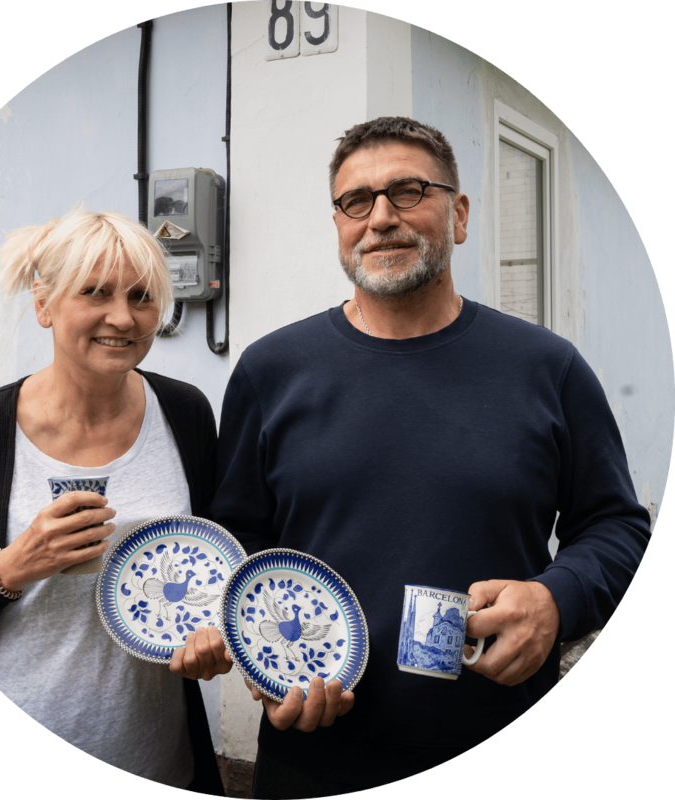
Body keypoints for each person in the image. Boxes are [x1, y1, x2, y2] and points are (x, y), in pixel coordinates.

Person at [209, 117, 651, 796]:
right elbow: (240, 542)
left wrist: (555, 602)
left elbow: (616, 525)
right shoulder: (271, 371)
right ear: (339, 224)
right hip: (316, 756)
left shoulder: (546, 367)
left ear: (460, 213)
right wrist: (267, 661)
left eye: (408, 192)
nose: (381, 217)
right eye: (357, 201)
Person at [0, 208, 225, 794]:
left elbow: (209, 563)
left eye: (142, 296)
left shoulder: (186, 414)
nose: (122, 317)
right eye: (95, 293)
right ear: (45, 304)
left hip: (158, 754)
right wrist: (11, 568)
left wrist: (212, 636)